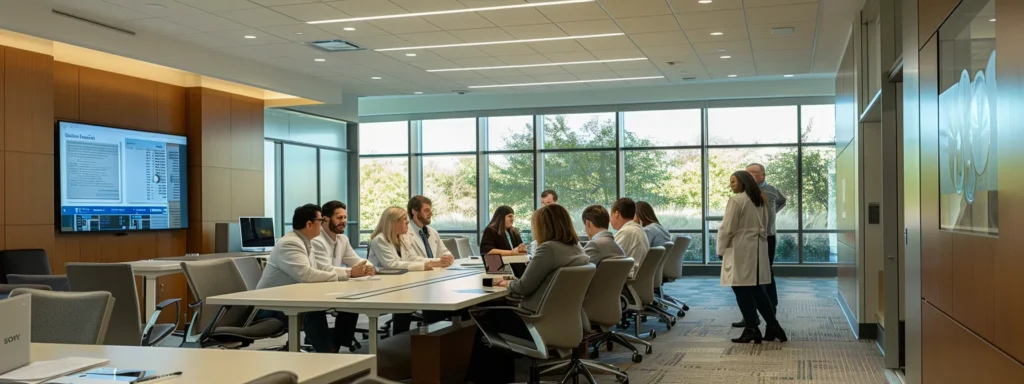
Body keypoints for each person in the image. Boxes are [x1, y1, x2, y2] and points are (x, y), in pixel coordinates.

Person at [466, 204, 589, 383]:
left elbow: (523, 287)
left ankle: (484, 380)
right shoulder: (577, 249)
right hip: (565, 319)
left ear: (545, 225)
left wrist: (507, 283)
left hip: (535, 321)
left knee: (486, 315)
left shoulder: (548, 249)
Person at [254, 204, 346, 353]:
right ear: (309, 224)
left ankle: (330, 350)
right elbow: (307, 275)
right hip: (268, 307)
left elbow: (317, 272)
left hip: (285, 299)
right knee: (313, 309)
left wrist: (343, 275)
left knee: (316, 307)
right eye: (320, 220)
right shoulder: (290, 243)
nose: (323, 223)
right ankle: (328, 354)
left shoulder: (304, 241)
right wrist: (342, 276)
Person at [718, 170, 787, 344]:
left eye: (733, 182)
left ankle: (751, 328)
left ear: (742, 182)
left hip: (741, 249)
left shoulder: (736, 200)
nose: (731, 185)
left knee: (740, 288)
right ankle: (773, 326)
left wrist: (720, 249)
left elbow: (727, 228)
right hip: (758, 248)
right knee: (758, 289)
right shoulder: (761, 199)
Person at [308, 200, 374, 351]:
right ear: (325, 219)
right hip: (317, 289)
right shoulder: (316, 241)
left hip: (333, 286)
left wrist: (369, 267)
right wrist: (352, 272)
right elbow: (326, 269)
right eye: (339, 218)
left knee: (354, 298)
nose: (343, 221)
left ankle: (338, 343)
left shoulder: (342, 239)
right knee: (351, 299)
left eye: (345, 217)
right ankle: (332, 347)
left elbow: (356, 260)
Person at [734, 163, 788, 327]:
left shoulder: (771, 190)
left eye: (751, 172)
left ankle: (772, 312)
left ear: (762, 175)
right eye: (746, 172)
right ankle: (751, 316)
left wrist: (769, 218)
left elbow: (782, 201)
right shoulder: (744, 192)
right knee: (749, 277)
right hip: (749, 239)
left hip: (767, 237)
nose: (747, 175)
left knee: (765, 275)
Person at [392, 196, 455, 334]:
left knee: (441, 300)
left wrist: (448, 257)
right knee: (432, 302)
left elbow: (444, 251)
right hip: (412, 281)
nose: (430, 213)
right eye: (426, 210)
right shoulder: (404, 233)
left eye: (430, 210)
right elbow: (410, 258)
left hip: (433, 278)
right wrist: (437, 262)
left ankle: (437, 336)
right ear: (414, 211)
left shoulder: (432, 232)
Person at [367, 207, 450, 271]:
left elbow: (411, 258)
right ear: (394, 222)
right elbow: (391, 265)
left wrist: (438, 262)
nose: (407, 222)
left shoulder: (402, 237)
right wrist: (423, 266)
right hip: (381, 282)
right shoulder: (379, 240)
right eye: (404, 219)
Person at [611, 198, 648, 277]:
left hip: (626, 280)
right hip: (637, 278)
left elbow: (609, 258)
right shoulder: (638, 229)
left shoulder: (627, 232)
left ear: (616, 214)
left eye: (611, 215)